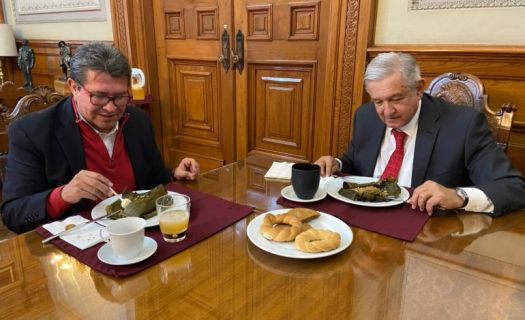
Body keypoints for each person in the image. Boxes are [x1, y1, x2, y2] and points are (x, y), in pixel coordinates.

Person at [1, 42, 199, 233]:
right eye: (99, 96)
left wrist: (173, 174)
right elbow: (13, 215)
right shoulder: (32, 132)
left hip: (138, 234)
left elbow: (152, 181)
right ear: (74, 88)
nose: (111, 108)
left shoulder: (137, 120)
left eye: (120, 96)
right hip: (76, 244)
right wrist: (64, 195)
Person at [315, 52, 525, 217]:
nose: (387, 112)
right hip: (362, 218)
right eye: (378, 101)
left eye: (396, 99)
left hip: (425, 231)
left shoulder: (463, 125)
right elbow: (356, 160)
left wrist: (458, 195)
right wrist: (337, 163)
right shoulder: (366, 115)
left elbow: (513, 187)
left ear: (419, 88)